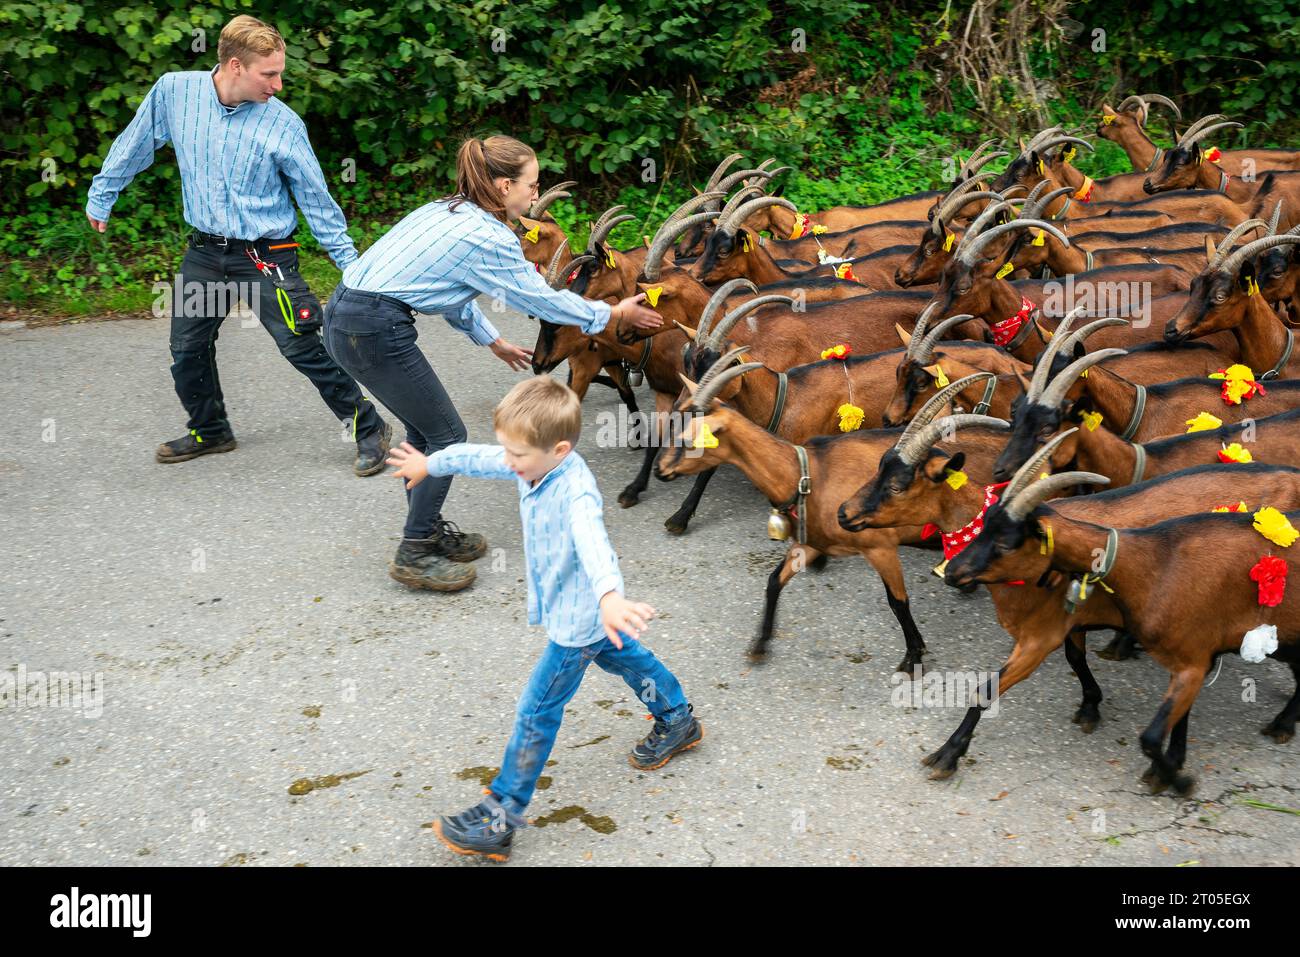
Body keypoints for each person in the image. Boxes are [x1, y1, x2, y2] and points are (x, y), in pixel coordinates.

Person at [323, 134, 661, 592]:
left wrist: (492, 339)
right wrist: (613, 312)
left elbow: (450, 290)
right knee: (446, 434)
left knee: (427, 432)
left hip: (352, 316)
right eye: (532, 185)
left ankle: (424, 529)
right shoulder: (488, 236)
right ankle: (416, 549)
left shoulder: (448, 210)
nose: (536, 195)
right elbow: (543, 300)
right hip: (371, 328)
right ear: (504, 187)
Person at [387, 376, 702, 863]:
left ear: (558, 449)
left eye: (516, 455)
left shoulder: (576, 492)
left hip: (580, 619)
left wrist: (610, 597)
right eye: (506, 450)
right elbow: (479, 457)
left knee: (537, 711)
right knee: (628, 659)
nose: (508, 462)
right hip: (580, 613)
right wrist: (431, 462)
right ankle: (677, 717)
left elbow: (594, 542)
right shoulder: (529, 461)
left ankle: (501, 814)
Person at [85, 15, 392, 474]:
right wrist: (103, 193)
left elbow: (315, 198)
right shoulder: (175, 92)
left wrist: (351, 264)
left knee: (301, 345)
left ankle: (367, 427)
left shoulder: (284, 124)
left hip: (265, 257)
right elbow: (136, 143)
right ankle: (210, 430)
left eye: (280, 72)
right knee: (187, 348)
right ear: (234, 66)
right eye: (269, 74)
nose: (279, 84)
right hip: (205, 253)